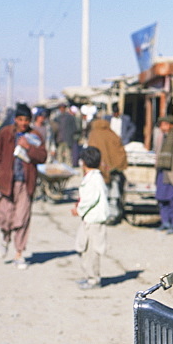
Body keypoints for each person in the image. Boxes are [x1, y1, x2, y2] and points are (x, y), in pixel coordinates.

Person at [0, 103, 47, 269]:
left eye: (26, 120)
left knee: (21, 218)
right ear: (15, 119)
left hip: (25, 183)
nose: (23, 123)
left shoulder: (34, 136)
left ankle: (19, 253)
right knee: (5, 215)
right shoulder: (5, 133)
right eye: (20, 119)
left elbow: (42, 156)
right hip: (7, 183)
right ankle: (5, 238)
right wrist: (0, 176)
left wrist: (29, 149)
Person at [72, 147, 109, 290]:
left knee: (93, 251)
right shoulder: (92, 177)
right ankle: (88, 276)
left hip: (94, 221)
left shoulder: (94, 178)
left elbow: (90, 199)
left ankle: (94, 279)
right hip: (89, 219)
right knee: (83, 248)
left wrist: (78, 209)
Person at [87, 110, 128, 223]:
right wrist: (116, 164)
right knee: (114, 192)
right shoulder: (112, 134)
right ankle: (113, 214)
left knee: (102, 192)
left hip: (99, 169)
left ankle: (104, 214)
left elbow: (91, 152)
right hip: (114, 168)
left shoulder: (94, 134)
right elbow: (120, 151)